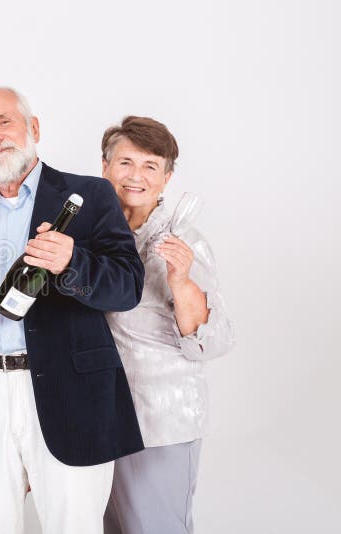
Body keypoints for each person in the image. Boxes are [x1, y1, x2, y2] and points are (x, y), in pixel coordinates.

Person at [0, 84, 146, 533]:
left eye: (3, 121)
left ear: (33, 127)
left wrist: (73, 261)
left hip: (72, 395)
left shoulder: (89, 196)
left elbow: (127, 287)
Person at [100, 116, 234, 534]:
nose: (135, 176)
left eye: (149, 166)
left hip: (160, 423)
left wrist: (181, 281)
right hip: (103, 419)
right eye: (125, 163)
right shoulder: (93, 239)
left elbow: (214, 342)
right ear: (105, 168)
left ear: (167, 177)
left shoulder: (185, 243)